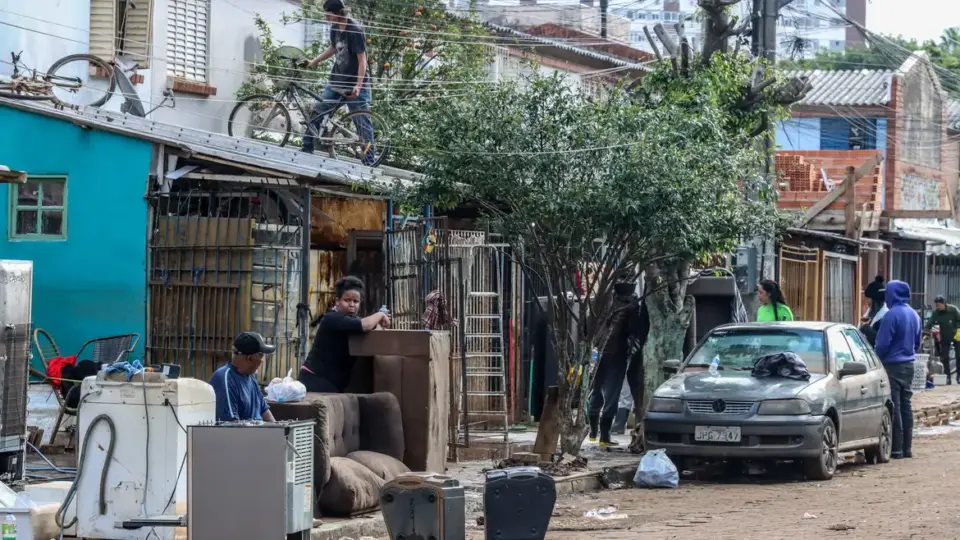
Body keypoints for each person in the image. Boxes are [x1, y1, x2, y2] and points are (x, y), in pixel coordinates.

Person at [300, 0, 375, 164]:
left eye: (328, 14)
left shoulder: (355, 30)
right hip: (337, 80)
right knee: (319, 110)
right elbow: (334, 48)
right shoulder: (335, 27)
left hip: (355, 84)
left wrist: (358, 85)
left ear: (337, 13)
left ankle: (369, 160)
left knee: (361, 121)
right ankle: (307, 147)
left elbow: (363, 61)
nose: (326, 18)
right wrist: (314, 61)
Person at [299, 276, 389, 393]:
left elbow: (368, 329)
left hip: (331, 383)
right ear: (337, 301)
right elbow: (365, 325)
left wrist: (380, 323)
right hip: (315, 380)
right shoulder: (332, 318)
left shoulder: (350, 320)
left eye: (356, 301)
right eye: (347, 300)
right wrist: (380, 315)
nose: (352, 304)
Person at [588, 283, 644, 447]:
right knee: (612, 394)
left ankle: (592, 432)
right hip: (616, 354)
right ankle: (604, 436)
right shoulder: (630, 306)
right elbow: (633, 330)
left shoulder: (601, 302)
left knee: (596, 389)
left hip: (596, 351)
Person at [874, 280, 922, 459]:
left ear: (893, 294)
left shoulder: (892, 315)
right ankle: (907, 448)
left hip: (892, 366)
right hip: (909, 364)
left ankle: (896, 449)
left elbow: (882, 343)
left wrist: (876, 358)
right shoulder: (914, 315)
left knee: (894, 406)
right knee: (906, 405)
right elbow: (917, 343)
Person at [210, 332, 277, 423]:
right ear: (249, 358)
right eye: (261, 356)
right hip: (244, 436)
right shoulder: (225, 378)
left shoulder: (250, 377)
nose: (262, 361)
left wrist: (279, 430)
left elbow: (264, 410)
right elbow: (231, 425)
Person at [925, 295, 960, 384]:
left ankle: (958, 377)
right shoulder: (936, 313)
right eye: (937, 305)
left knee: (958, 356)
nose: (939, 307)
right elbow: (930, 323)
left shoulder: (953, 310)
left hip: (957, 336)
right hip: (945, 336)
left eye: (940, 305)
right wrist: (927, 330)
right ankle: (947, 377)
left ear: (944, 303)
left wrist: (958, 329)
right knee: (945, 357)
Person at [859, 280, 888, 347]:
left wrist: (867, 329)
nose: (866, 301)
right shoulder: (870, 311)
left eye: (868, 299)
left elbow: (882, 340)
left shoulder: (885, 316)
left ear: (875, 300)